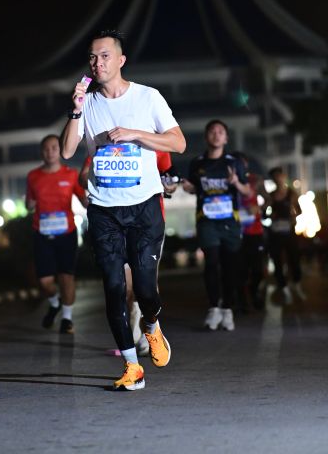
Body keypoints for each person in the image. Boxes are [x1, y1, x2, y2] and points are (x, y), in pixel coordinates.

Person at [60, 29, 186, 390]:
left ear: (120, 60)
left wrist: (135, 134)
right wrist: (75, 110)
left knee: (144, 289)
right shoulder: (87, 103)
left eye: (104, 56)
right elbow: (67, 151)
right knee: (114, 287)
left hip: (144, 207)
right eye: (92, 57)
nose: (96, 63)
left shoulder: (148, 98)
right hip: (104, 209)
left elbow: (178, 142)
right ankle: (132, 367)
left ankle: (151, 325)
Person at [78, 150, 178, 358]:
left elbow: (170, 177)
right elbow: (83, 175)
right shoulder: (102, 142)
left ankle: (149, 330)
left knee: (146, 285)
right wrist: (101, 178)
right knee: (125, 286)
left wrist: (170, 185)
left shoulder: (154, 143)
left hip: (147, 221)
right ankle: (132, 338)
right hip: (113, 219)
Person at [182, 120, 250, 331]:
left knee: (230, 267)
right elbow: (193, 188)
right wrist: (187, 187)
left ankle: (227, 309)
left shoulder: (234, 163)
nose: (216, 134)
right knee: (211, 263)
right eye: (212, 131)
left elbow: (247, 191)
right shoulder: (197, 163)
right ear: (206, 137)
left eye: (221, 132)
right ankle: (213, 308)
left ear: (226, 138)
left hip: (230, 223)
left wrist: (235, 182)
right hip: (207, 221)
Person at [25, 134, 88, 333]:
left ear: (60, 151)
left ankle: (67, 319)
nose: (50, 152)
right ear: (41, 152)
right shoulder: (33, 176)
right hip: (42, 233)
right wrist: (29, 203)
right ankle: (54, 302)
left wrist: (96, 195)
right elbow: (29, 203)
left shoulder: (71, 174)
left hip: (66, 233)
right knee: (44, 282)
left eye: (54, 148)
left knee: (66, 277)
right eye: (46, 149)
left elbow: (85, 201)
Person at [232, 152, 267, 312]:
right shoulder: (226, 181)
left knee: (258, 269)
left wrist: (258, 207)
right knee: (239, 268)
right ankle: (242, 300)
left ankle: (254, 291)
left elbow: (268, 199)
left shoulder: (256, 180)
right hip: (235, 231)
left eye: (243, 164)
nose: (241, 166)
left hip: (254, 231)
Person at [267, 166, 306, 304]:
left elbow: (299, 210)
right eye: (275, 177)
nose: (278, 179)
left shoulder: (291, 193)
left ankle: (297, 284)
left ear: (283, 177)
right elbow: (266, 211)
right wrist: (270, 213)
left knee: (294, 259)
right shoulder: (271, 195)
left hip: (289, 231)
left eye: (279, 175)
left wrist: (292, 216)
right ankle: (284, 289)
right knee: (277, 261)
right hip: (275, 232)